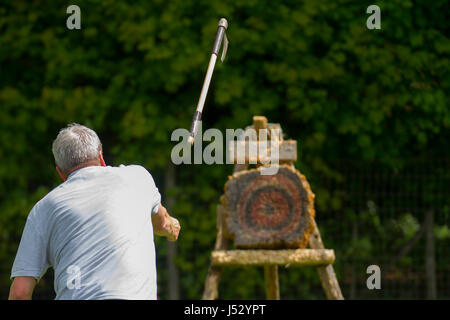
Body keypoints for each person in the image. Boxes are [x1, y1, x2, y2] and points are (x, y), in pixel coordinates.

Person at [8, 123, 180, 300]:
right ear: (101, 156)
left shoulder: (44, 208)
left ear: (61, 173)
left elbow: (20, 292)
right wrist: (172, 229)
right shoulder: (137, 177)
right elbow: (162, 221)